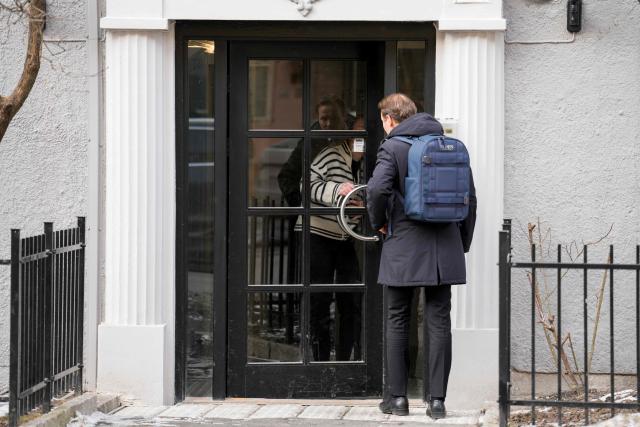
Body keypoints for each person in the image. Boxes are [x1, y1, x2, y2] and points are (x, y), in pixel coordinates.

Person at [366, 94, 477, 419]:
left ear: (389, 118)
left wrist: (380, 224)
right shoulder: (447, 144)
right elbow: (470, 198)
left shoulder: (393, 147)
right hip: (445, 247)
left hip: (403, 245)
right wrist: (462, 242)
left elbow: (376, 190)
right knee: (439, 319)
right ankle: (437, 402)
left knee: (398, 318)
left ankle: (397, 400)